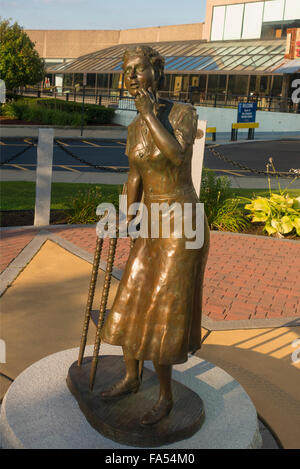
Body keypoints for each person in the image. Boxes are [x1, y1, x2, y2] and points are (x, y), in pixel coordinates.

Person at [100, 45, 210, 426]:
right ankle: (132, 377)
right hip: (150, 222)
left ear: (156, 72)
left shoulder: (181, 113)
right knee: (132, 293)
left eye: (139, 70)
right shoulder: (132, 129)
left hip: (182, 222)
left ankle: (165, 395)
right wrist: (125, 216)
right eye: (127, 72)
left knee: (165, 304)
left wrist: (149, 115)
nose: (132, 78)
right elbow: (135, 176)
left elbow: (177, 155)